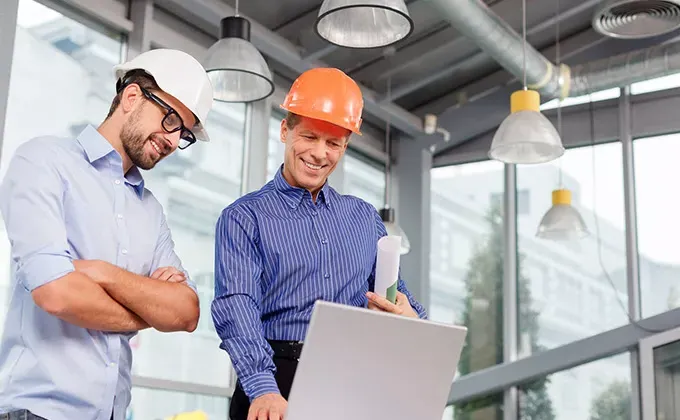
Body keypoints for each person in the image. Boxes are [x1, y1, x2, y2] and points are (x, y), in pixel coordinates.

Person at [0, 48, 214, 420]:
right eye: (170, 119)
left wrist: (101, 272)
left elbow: (185, 312)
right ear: (131, 97)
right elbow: (57, 293)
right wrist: (148, 308)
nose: (172, 139)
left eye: (183, 133)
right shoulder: (44, 162)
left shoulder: (151, 211)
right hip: (36, 413)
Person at [212, 67, 427, 420]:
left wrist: (411, 315)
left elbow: (397, 293)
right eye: (309, 137)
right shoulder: (244, 217)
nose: (319, 153)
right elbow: (237, 306)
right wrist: (263, 387)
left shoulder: (363, 218)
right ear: (285, 129)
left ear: (345, 146)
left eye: (333, 144)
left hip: (352, 380)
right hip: (276, 377)